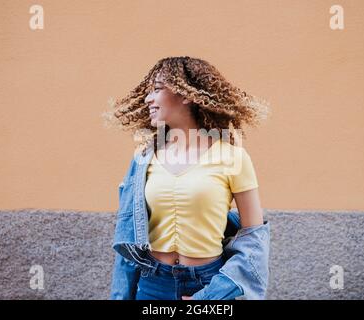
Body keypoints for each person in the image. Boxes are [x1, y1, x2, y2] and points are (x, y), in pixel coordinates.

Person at [109, 56, 271, 300]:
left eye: (157, 89)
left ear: (186, 95)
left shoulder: (232, 157)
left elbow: (255, 239)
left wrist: (211, 296)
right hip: (152, 284)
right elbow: (127, 240)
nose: (147, 99)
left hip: (207, 284)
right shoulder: (143, 159)